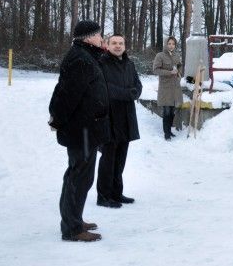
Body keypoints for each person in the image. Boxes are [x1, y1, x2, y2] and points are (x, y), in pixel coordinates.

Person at [49, 20, 110, 242]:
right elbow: (67, 95)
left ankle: (75, 219)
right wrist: (57, 119)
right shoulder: (80, 59)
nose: (102, 37)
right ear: (88, 37)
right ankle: (72, 228)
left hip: (88, 128)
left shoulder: (86, 56)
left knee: (81, 177)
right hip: (81, 129)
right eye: (98, 34)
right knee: (79, 177)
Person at [97, 34, 142, 208]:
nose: (118, 46)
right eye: (114, 43)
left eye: (121, 43)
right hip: (109, 117)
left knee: (120, 158)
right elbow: (105, 88)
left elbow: (138, 85)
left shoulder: (129, 64)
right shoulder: (101, 63)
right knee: (108, 159)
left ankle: (117, 192)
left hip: (126, 117)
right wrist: (129, 94)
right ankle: (104, 195)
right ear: (107, 45)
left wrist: (134, 92)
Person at [153, 36, 183, 140]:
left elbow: (179, 66)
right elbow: (155, 70)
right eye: (169, 43)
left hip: (175, 87)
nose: (171, 46)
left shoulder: (177, 55)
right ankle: (166, 133)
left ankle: (169, 131)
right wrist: (169, 72)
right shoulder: (160, 55)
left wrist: (179, 72)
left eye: (173, 44)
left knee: (172, 111)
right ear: (166, 44)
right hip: (165, 87)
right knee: (167, 111)